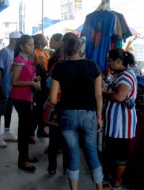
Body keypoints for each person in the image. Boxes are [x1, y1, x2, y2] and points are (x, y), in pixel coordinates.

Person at [49, 32, 104, 190]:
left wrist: (63, 104)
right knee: (92, 153)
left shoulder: (59, 67)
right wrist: (99, 118)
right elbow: (98, 96)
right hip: (89, 115)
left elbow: (52, 99)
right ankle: (99, 188)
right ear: (80, 46)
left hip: (67, 115)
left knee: (72, 155)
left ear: (64, 47)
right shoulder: (92, 65)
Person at [102, 48, 138, 190]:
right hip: (113, 124)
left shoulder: (127, 76)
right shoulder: (117, 74)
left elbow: (119, 96)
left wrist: (101, 93)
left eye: (110, 61)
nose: (108, 63)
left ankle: (116, 184)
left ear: (118, 61)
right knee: (111, 154)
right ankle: (111, 180)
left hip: (122, 124)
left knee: (119, 156)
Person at [11, 35, 41, 173]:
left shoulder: (27, 59)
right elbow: (15, 81)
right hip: (20, 98)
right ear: (22, 46)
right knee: (24, 129)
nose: (32, 47)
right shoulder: (19, 60)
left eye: (33, 44)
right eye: (29, 45)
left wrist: (35, 79)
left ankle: (25, 155)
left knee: (28, 127)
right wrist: (31, 83)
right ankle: (22, 160)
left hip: (28, 96)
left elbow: (27, 76)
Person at [0, 31, 21, 148]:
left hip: (11, 88)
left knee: (8, 110)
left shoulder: (15, 53)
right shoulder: (5, 52)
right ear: (14, 40)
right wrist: (1, 88)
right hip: (3, 88)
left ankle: (7, 132)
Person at [45, 33, 66, 175]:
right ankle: (66, 169)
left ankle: (52, 167)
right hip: (69, 109)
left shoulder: (57, 68)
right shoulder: (78, 68)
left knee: (53, 139)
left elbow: (48, 84)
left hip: (56, 108)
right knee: (67, 141)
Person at [32, 34, 50, 139]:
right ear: (39, 41)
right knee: (37, 109)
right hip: (39, 84)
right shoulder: (36, 53)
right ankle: (31, 132)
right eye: (44, 38)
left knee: (43, 108)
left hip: (45, 84)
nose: (46, 40)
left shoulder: (45, 52)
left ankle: (41, 129)